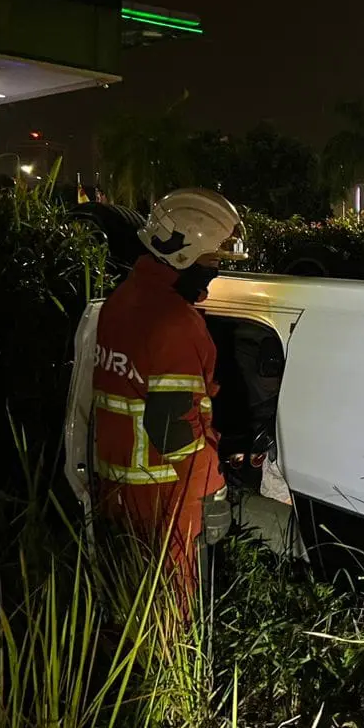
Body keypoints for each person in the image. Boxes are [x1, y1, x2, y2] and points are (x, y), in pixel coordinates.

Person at [91, 187, 247, 599]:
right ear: (184, 251)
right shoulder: (176, 323)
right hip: (166, 494)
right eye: (213, 259)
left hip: (114, 483)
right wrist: (212, 489)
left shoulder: (122, 299)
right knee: (172, 610)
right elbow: (173, 429)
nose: (215, 270)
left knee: (126, 596)